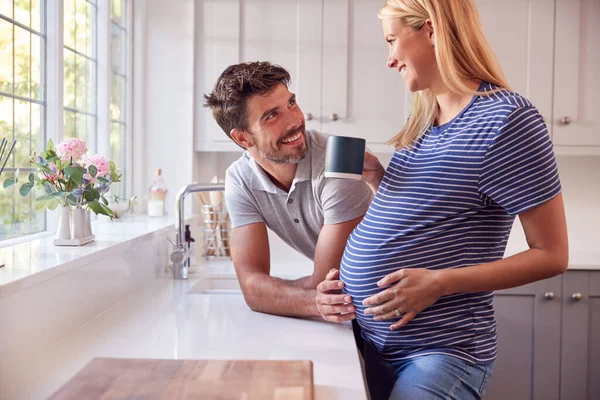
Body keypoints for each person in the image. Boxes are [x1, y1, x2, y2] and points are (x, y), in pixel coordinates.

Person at [315, 0, 569, 399]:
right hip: (374, 344)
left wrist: (439, 283)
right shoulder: (424, 120)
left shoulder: (508, 119)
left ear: (431, 30)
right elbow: (436, 218)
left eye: (392, 40)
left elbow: (552, 254)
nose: (389, 59)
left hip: (441, 352)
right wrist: (381, 183)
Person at [203, 61, 373, 318]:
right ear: (242, 138)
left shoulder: (340, 163)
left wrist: (273, 293)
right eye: (272, 115)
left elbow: (328, 282)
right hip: (363, 308)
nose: (295, 120)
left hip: (412, 307)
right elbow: (252, 288)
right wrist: (267, 292)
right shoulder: (240, 180)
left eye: (291, 103)